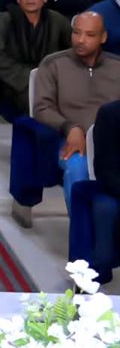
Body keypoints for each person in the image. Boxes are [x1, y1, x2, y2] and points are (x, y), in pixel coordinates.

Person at [33, 12, 120, 209]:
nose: (81, 40)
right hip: (70, 140)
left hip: (112, 144)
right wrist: (70, 127)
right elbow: (42, 108)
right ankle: (80, 226)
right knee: (77, 168)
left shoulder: (117, 67)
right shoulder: (53, 64)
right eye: (76, 33)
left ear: (103, 37)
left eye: (89, 35)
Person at [0, 0, 72, 114]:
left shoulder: (57, 20)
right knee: (34, 101)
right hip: (16, 83)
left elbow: (71, 52)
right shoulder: (7, 20)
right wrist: (28, 77)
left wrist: (52, 76)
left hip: (51, 79)